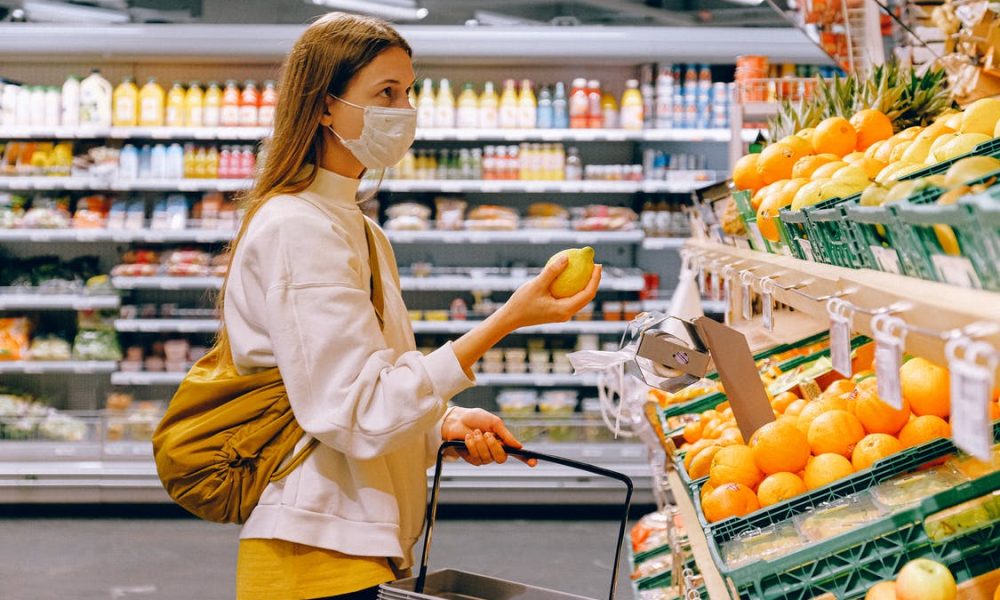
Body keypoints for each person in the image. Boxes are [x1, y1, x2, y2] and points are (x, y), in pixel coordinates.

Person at [221, 12, 602, 600]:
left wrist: (438, 426)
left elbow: (368, 388)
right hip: (315, 554)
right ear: (324, 106)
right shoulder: (297, 228)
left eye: (409, 91)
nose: (404, 110)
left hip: (362, 544)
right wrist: (508, 320)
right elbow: (356, 409)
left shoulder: (360, 229)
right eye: (386, 93)